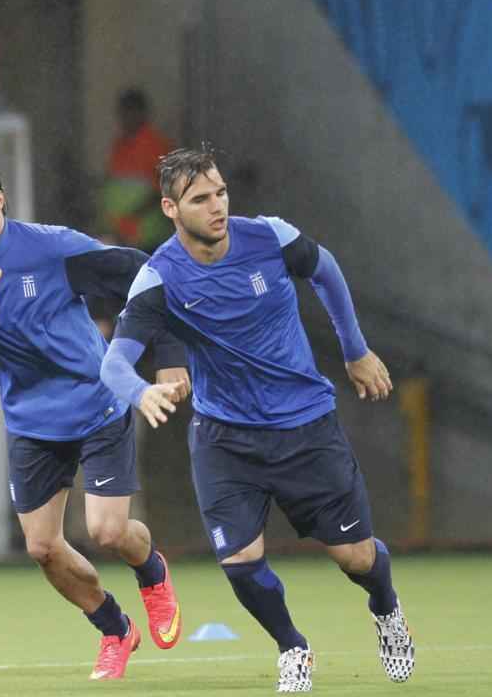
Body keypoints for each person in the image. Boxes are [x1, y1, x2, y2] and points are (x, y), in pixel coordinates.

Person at [100, 147, 414, 692]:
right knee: (240, 563)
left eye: (220, 192)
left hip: (305, 426)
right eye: (201, 198)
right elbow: (113, 362)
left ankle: (386, 608)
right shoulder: (158, 279)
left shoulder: (270, 235)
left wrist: (355, 350)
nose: (217, 206)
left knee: (356, 557)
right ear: (171, 209)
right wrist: (141, 391)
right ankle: (293, 646)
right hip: (225, 438)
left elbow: (326, 270)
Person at [0, 145, 189, 682]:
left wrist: (168, 357)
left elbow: (142, 277)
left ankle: (151, 569)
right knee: (43, 547)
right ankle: (115, 629)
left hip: (96, 404)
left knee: (108, 531)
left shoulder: (51, 249)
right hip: (30, 423)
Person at [103, 89, 174, 250]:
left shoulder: (156, 144)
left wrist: (133, 217)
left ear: (142, 113)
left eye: (129, 111)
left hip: (149, 236)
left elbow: (164, 190)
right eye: (122, 112)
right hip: (120, 235)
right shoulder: (119, 145)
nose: (124, 118)